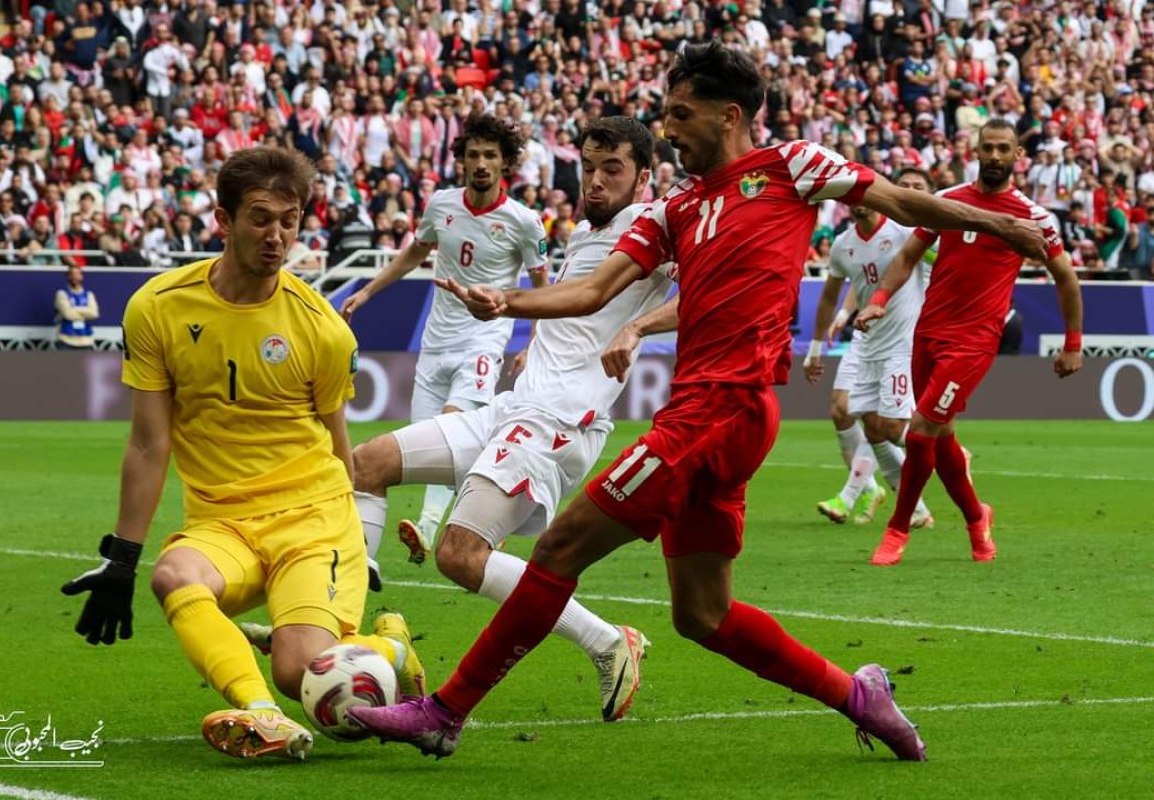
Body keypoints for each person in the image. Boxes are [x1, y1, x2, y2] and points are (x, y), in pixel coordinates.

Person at [343, 42, 1048, 761]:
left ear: (729, 115)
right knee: (702, 615)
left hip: (724, 407)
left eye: (680, 114)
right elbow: (591, 292)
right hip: (707, 412)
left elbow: (895, 199)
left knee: (559, 548)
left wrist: (1001, 226)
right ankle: (859, 694)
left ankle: (444, 712)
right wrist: (507, 301)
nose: (669, 126)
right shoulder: (675, 210)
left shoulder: (792, 166)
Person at [291, 117, 669, 723]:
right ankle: (345, 629)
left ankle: (606, 640)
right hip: (516, 405)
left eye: (613, 170)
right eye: (588, 168)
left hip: (559, 424)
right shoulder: (582, 231)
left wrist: (641, 325)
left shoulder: (657, 226)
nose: (595, 182)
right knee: (365, 464)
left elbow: (712, 291)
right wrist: (537, 340)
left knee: (459, 554)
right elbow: (576, 307)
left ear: (644, 177)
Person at [59, 147, 425, 762]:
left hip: (313, 522)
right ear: (223, 222)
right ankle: (261, 716)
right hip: (222, 524)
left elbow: (339, 448)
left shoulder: (324, 329)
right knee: (172, 573)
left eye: (290, 220)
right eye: (260, 218)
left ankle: (387, 645)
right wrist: (121, 561)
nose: (277, 235)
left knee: (307, 680)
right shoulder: (158, 307)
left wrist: (357, 544)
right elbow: (150, 444)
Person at [856, 119, 1083, 566]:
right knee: (940, 441)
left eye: (1004, 149)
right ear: (975, 152)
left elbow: (1067, 280)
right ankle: (978, 519)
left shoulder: (1033, 217)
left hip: (975, 341)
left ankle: (897, 530)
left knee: (921, 428)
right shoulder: (947, 202)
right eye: (988, 148)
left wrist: (1073, 342)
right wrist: (880, 298)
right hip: (928, 333)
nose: (995, 156)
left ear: (1019, 156)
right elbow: (907, 257)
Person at [340, 114, 549, 588]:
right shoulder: (442, 205)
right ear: (461, 160)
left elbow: (543, 288)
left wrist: (533, 344)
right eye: (473, 154)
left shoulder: (523, 221)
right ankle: (364, 559)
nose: (481, 163)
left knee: (448, 428)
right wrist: (368, 292)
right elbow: (413, 253)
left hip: (483, 338)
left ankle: (431, 526)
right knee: (414, 446)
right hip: (436, 343)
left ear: (505, 163)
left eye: (490, 155)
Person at [805, 170, 935, 530]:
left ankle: (948, 454)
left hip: (903, 340)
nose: (852, 200)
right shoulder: (844, 244)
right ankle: (915, 509)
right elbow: (845, 287)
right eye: (847, 196)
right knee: (866, 421)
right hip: (866, 339)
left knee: (891, 425)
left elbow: (944, 263)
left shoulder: (906, 233)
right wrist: (818, 344)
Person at [54, 266, 100, 350]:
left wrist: (74, 309)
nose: (75, 277)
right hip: (66, 340)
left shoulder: (89, 294)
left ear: (82, 276)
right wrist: (85, 311)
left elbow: (94, 313)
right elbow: (68, 314)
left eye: (77, 274)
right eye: (72, 274)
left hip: (86, 340)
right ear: (68, 276)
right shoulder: (61, 294)